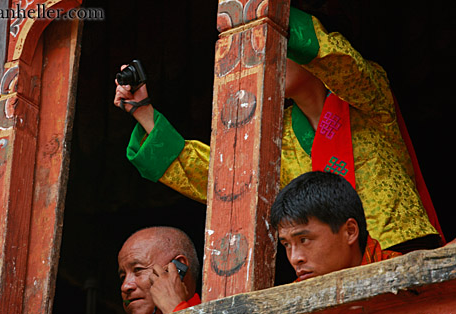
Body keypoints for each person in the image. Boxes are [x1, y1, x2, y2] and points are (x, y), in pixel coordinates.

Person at [114, 7, 443, 253]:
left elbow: (341, 63)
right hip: (332, 270)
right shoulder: (277, 134)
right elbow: (225, 178)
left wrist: (270, 12)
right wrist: (144, 113)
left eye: (277, 47)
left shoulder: (368, 96)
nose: (267, 59)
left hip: (405, 252)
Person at [269, 171, 401, 282]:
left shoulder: (404, 277)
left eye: (304, 240)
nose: (295, 259)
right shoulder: (293, 301)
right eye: (287, 245)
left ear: (350, 232)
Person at [117, 226, 201, 314]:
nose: (125, 287)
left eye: (138, 269)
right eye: (123, 277)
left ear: (177, 268)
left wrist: (174, 306)